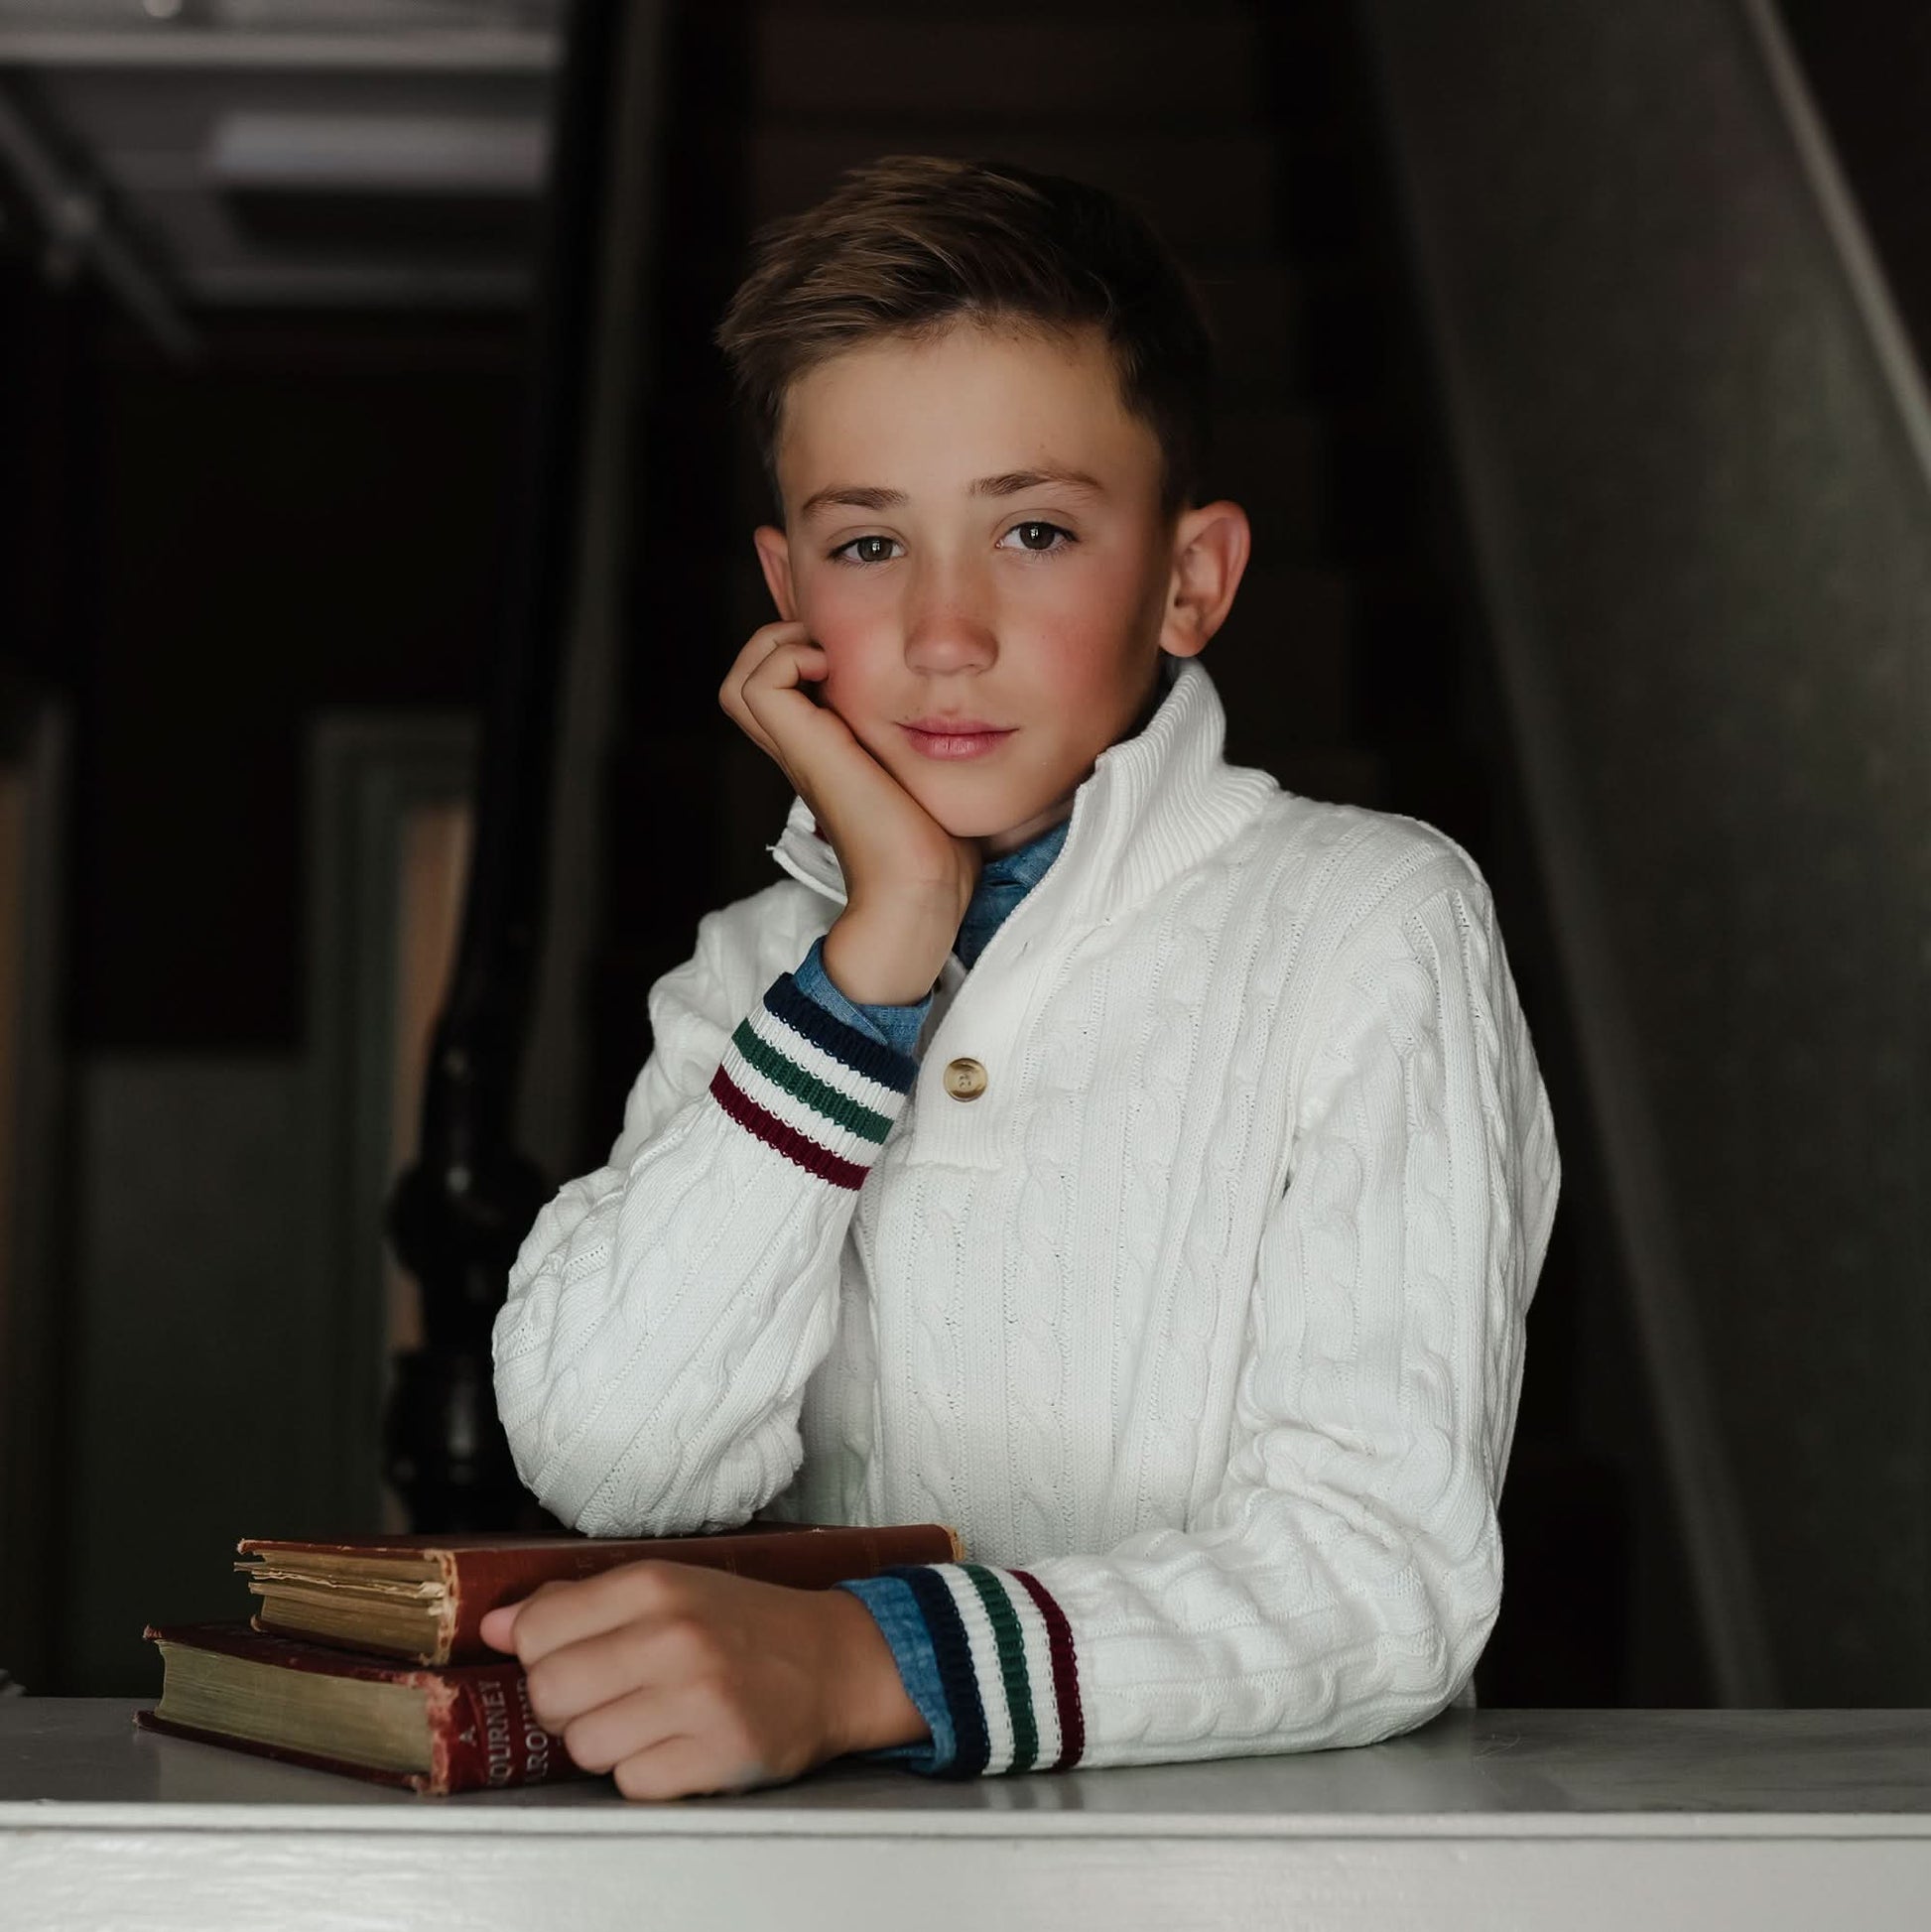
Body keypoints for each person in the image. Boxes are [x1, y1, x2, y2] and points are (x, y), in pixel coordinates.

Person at [480, 154, 1560, 1800]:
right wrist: (880, 948)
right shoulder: (764, 971)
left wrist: (865, 1661)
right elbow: (618, 1458)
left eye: (1034, 530)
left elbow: (1378, 1578)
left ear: (1190, 578)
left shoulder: (1369, 922)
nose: (941, 633)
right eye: (866, 549)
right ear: (785, 596)